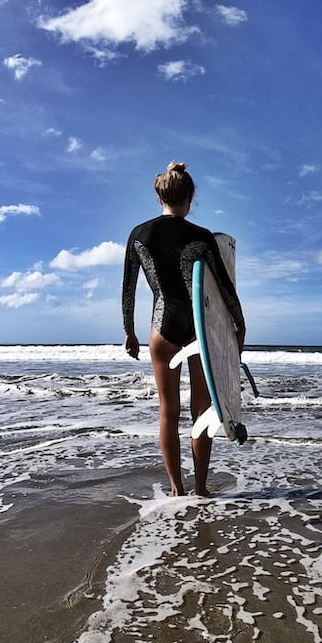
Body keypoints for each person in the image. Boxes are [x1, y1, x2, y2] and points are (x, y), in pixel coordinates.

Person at [122, 161, 245, 497]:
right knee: (202, 411)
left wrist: (128, 332)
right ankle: (201, 488)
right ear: (189, 198)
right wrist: (239, 327)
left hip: (161, 330)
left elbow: (128, 288)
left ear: (160, 196)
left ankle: (177, 489)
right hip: (197, 331)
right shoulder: (201, 237)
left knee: (168, 412)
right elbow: (224, 289)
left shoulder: (138, 235)